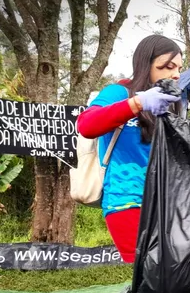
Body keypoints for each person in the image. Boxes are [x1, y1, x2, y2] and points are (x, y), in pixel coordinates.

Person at [76, 34, 183, 263]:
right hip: (127, 201)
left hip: (165, 204)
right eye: (168, 66)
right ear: (146, 65)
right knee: (151, 277)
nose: (175, 74)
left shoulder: (170, 105)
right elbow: (86, 125)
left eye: (179, 68)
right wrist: (138, 103)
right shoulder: (120, 92)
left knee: (173, 278)